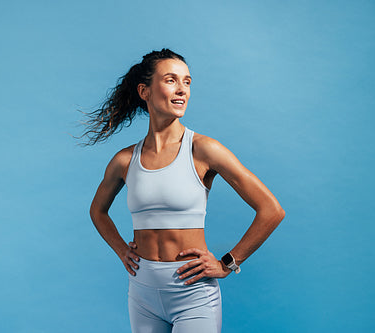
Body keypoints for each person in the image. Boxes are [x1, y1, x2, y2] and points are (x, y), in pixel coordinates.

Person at [85, 49, 285, 333]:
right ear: (145, 91)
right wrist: (121, 250)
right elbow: (97, 211)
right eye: (171, 80)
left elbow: (271, 210)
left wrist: (228, 263)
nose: (182, 90)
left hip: (193, 294)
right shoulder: (125, 160)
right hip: (142, 292)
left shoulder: (203, 150)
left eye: (187, 82)